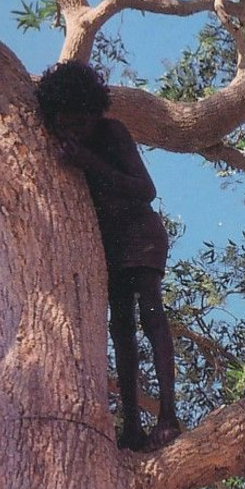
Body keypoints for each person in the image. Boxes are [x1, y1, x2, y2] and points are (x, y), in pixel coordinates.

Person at [36, 60, 181, 450]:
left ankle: (167, 414)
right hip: (108, 245)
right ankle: (131, 426)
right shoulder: (66, 140)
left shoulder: (112, 133)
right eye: (64, 124)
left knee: (151, 315)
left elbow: (144, 189)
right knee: (120, 329)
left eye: (79, 122)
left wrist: (89, 162)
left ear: (95, 111)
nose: (73, 131)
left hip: (138, 233)